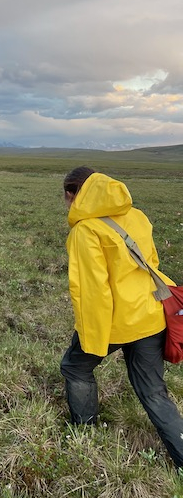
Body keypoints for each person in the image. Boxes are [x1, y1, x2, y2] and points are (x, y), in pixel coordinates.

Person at [60, 166, 183, 469]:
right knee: (154, 393)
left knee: (75, 367)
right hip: (152, 313)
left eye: (66, 196)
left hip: (117, 321)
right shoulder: (137, 215)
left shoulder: (85, 232)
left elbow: (93, 292)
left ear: (73, 195)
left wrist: (93, 340)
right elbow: (150, 263)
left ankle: (85, 432)